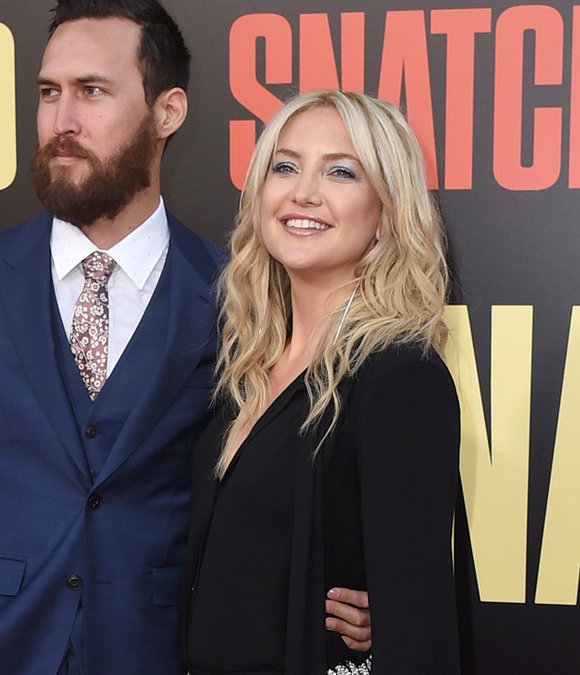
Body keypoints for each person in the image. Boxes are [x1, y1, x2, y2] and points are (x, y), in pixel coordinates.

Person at [0, 2, 371, 673]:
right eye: (49, 92)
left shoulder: (243, 293)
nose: (62, 121)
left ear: (168, 112)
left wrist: (363, 589)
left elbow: (278, 487)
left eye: (93, 91)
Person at [183, 90, 462, 674]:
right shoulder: (245, 365)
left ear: (386, 212)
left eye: (341, 172)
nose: (303, 191)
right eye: (285, 166)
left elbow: (419, 628)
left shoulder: (399, 377)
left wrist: (380, 623)